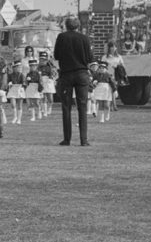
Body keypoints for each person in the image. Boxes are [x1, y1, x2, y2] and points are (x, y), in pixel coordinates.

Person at [53, 16, 93, 147]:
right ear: (78, 26)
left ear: (66, 25)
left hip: (66, 74)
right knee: (82, 107)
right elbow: (89, 58)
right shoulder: (84, 38)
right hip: (82, 74)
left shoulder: (61, 37)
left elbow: (56, 56)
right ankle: (84, 139)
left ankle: (67, 139)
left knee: (66, 107)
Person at [91, 59, 116, 124]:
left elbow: (112, 83)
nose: (101, 69)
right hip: (99, 90)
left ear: (106, 69)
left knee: (106, 104)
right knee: (100, 104)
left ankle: (107, 113)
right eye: (100, 68)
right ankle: (101, 118)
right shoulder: (96, 75)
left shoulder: (108, 75)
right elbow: (93, 82)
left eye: (103, 68)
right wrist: (94, 82)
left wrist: (115, 90)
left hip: (106, 90)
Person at [5, 57, 26, 124]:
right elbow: (8, 81)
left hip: (20, 89)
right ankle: (15, 117)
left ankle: (19, 119)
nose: (17, 68)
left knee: (19, 105)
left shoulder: (22, 75)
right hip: (13, 89)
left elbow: (24, 83)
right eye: (15, 67)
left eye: (18, 67)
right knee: (13, 104)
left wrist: (23, 86)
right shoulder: (11, 75)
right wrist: (9, 83)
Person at [38, 49, 56, 118]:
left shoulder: (50, 67)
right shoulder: (38, 67)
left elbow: (54, 75)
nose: (42, 61)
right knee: (43, 97)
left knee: (50, 98)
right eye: (41, 59)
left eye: (44, 59)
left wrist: (51, 78)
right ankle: (44, 111)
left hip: (49, 83)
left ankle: (50, 107)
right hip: (41, 82)